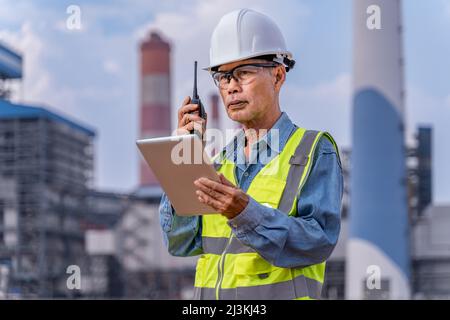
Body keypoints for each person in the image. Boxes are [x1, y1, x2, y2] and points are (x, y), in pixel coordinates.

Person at [159, 8, 343, 300]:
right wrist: (185, 161)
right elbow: (180, 243)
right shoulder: (218, 161)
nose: (232, 86)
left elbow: (318, 242)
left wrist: (246, 214)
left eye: (243, 73)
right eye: (222, 76)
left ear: (278, 76)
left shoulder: (312, 150)